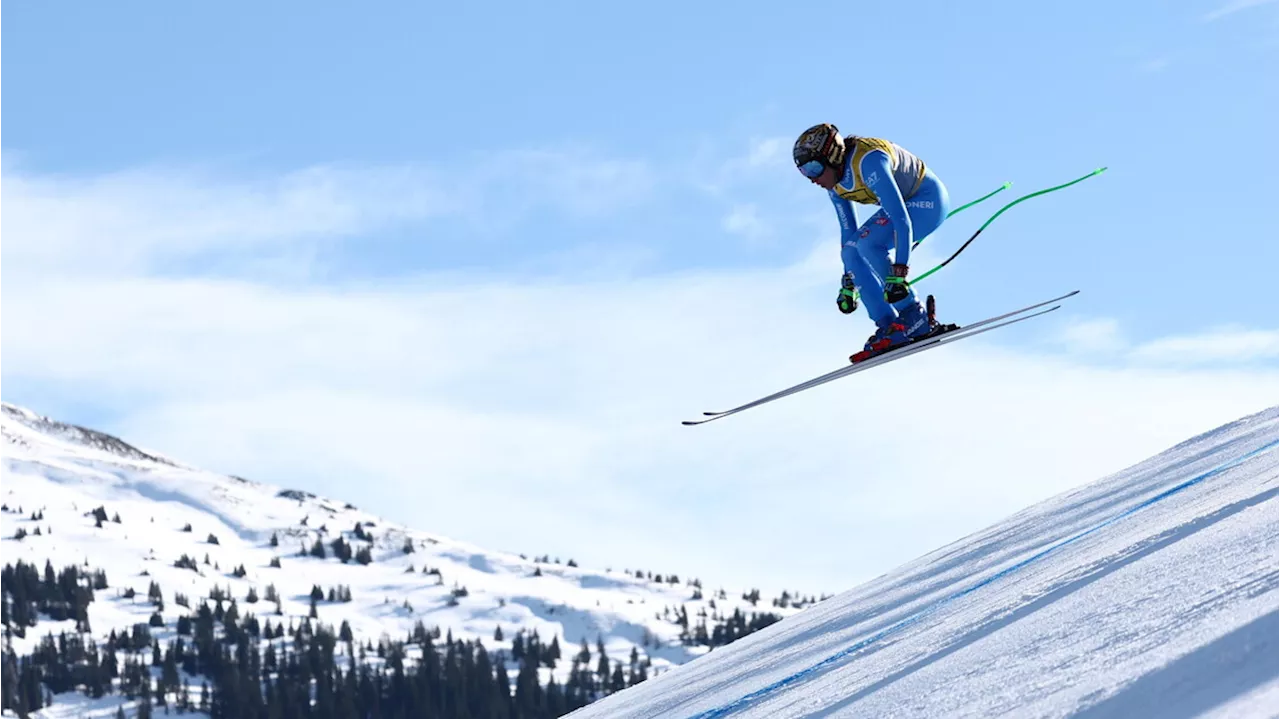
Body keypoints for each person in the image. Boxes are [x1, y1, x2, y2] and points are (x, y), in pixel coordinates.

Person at [792, 123, 953, 362]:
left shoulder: (869, 162)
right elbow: (848, 233)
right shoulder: (834, 184)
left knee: (868, 245)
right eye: (804, 172)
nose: (812, 178)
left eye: (814, 168)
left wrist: (899, 273)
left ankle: (914, 315)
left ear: (833, 155)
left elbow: (901, 220)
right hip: (902, 209)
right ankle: (890, 326)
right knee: (850, 252)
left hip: (927, 201)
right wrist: (849, 281)